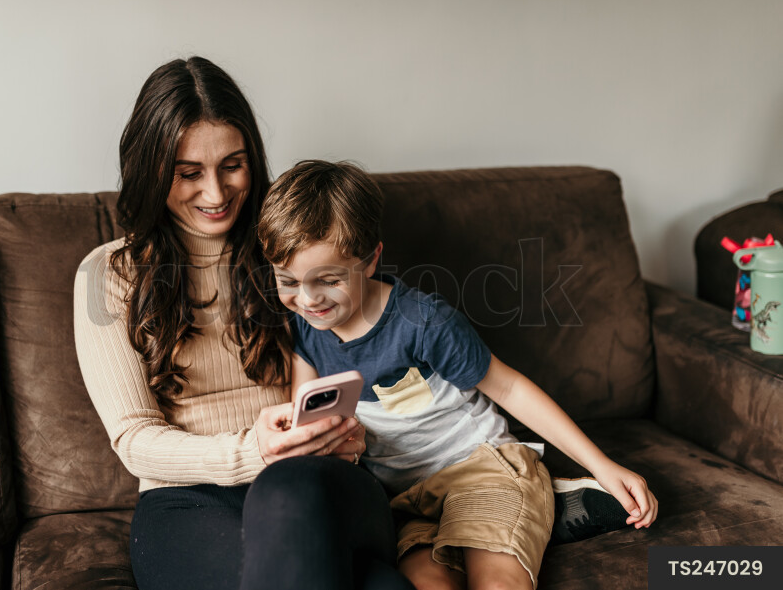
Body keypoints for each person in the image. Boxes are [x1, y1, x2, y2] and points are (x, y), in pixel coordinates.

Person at [73, 58, 413, 590]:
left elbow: (377, 353)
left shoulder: (291, 249)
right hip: (186, 498)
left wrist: (347, 433)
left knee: (287, 494)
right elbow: (133, 438)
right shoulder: (109, 274)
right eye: (188, 173)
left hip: (314, 482)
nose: (215, 193)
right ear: (152, 169)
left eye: (232, 165)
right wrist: (249, 453)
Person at [256, 160, 659, 590]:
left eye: (328, 280)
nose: (308, 298)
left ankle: (532, 492)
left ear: (370, 259)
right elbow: (311, 426)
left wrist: (603, 465)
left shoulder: (422, 321)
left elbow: (510, 387)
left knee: (496, 583)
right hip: (408, 502)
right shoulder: (303, 330)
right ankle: (547, 509)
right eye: (288, 281)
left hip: (480, 469)